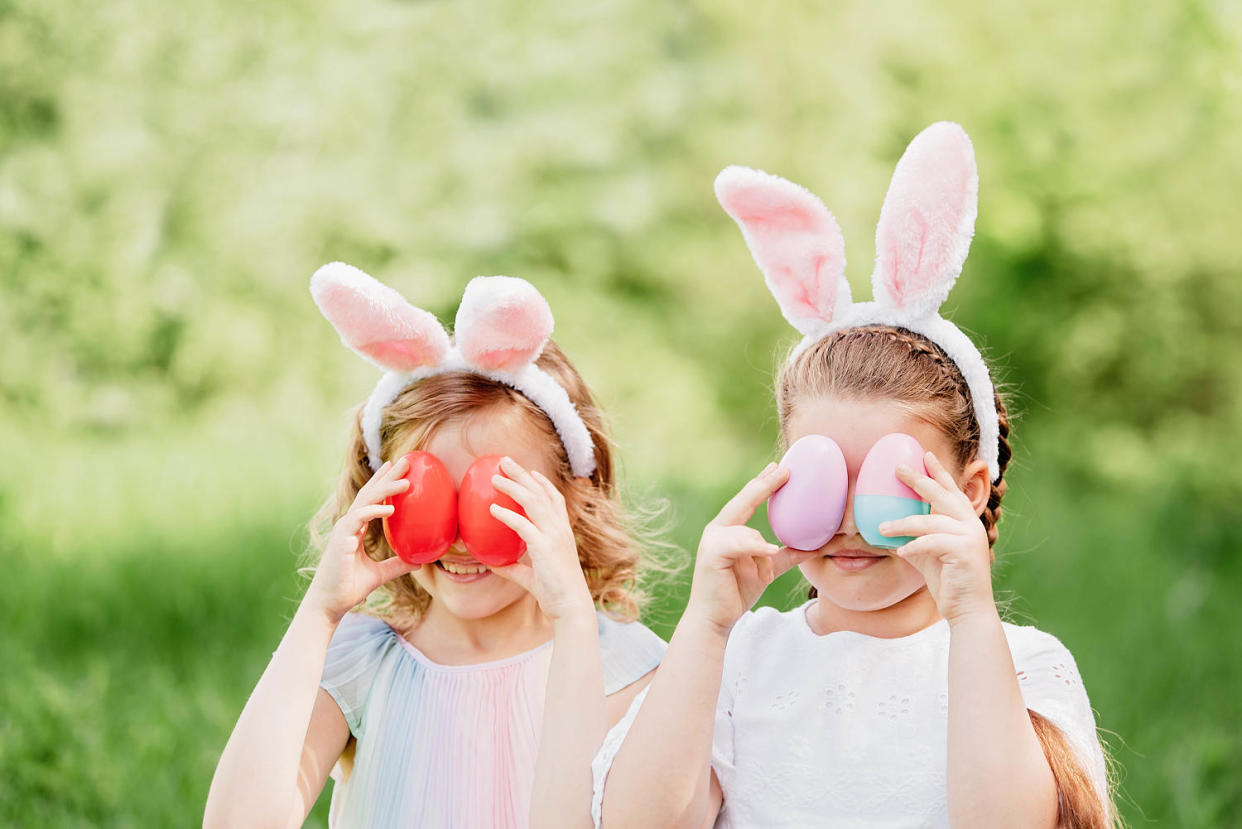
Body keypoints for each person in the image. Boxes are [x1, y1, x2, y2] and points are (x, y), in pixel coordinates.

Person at [594, 123, 1115, 828]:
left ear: (967, 491)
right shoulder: (743, 657)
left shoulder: (1019, 663)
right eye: (820, 477)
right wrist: (705, 626)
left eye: (883, 481)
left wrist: (970, 615)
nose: (844, 519)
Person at [205, 264, 665, 829]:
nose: (457, 538)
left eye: (494, 496)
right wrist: (319, 615)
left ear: (571, 499)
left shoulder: (625, 668)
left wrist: (571, 617)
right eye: (425, 496)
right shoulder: (366, 662)